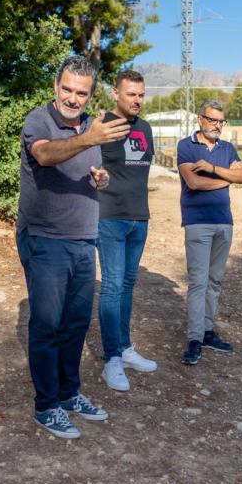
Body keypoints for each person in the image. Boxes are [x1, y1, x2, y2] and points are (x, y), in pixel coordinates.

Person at [17, 55, 130, 438]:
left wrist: (99, 177)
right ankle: (45, 406)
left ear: (90, 94)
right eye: (66, 89)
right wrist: (89, 139)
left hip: (84, 239)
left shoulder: (88, 126)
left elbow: (86, 166)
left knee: (76, 325)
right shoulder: (39, 120)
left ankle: (68, 394)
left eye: (81, 92)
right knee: (47, 326)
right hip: (46, 239)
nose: (72, 98)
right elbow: (46, 154)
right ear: (55, 86)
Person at [96, 69, 158, 392]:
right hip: (109, 218)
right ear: (115, 93)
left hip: (139, 219)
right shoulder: (102, 125)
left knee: (128, 285)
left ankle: (125, 347)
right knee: (112, 286)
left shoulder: (145, 128)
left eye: (141, 94)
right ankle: (111, 360)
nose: (136, 100)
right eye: (131, 94)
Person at [176, 101, 242, 366]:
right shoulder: (186, 146)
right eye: (212, 120)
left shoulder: (227, 148)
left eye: (221, 121)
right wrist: (228, 177)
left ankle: (208, 332)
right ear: (200, 119)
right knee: (198, 281)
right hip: (198, 222)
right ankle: (194, 339)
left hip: (224, 222)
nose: (217, 125)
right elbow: (193, 182)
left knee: (215, 281)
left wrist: (213, 168)